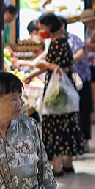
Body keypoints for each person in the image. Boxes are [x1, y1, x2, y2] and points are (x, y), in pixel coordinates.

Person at [24, 13, 84, 176]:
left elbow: (61, 67)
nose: (40, 31)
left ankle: (57, 167)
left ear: (49, 27)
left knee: (56, 125)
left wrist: (44, 66)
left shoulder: (58, 43)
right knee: (68, 124)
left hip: (57, 91)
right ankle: (67, 164)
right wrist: (33, 74)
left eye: (42, 27)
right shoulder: (62, 41)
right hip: (65, 89)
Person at [60, 17, 93, 153]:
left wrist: (66, 61)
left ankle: (84, 140)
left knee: (83, 110)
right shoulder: (55, 41)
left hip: (81, 79)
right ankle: (74, 142)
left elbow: (80, 54)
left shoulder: (74, 39)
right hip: (67, 81)